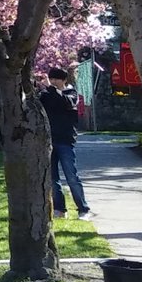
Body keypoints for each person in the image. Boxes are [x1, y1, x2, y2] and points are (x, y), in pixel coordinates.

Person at [40, 67, 92, 218]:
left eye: (57, 79)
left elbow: (64, 102)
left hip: (65, 141)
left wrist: (51, 89)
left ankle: (83, 209)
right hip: (49, 140)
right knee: (53, 178)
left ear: (64, 80)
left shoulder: (71, 93)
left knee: (71, 176)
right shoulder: (46, 94)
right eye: (52, 79)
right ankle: (60, 209)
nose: (54, 82)